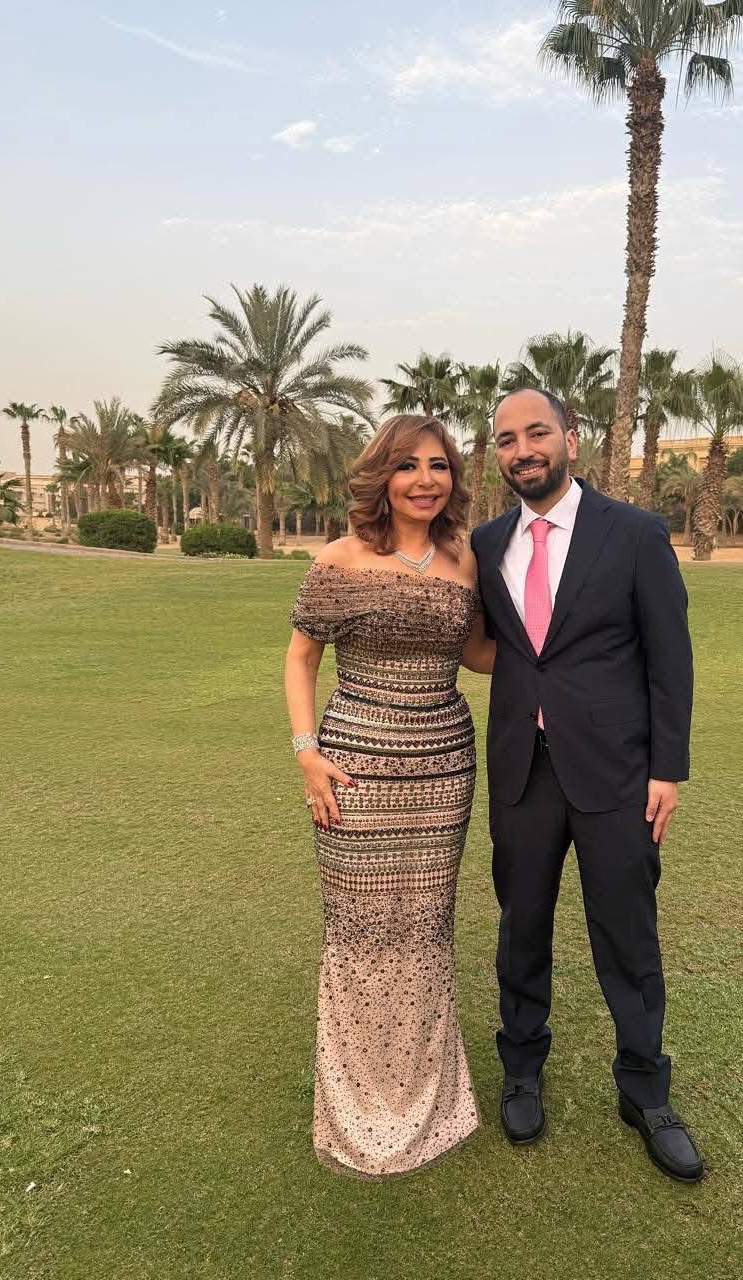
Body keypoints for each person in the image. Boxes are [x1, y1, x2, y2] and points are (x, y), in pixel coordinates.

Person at [470, 388, 704, 1182]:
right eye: (507, 439)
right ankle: (522, 1069)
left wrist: (668, 768)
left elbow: (670, 656)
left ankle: (645, 1091)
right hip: (522, 771)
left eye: (537, 432)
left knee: (627, 936)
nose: (522, 450)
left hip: (618, 773)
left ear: (571, 439)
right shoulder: (487, 542)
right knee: (521, 927)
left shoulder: (634, 533)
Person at [284, 414, 494, 1178]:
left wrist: (561, 640)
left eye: (438, 465)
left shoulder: (465, 561)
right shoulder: (338, 560)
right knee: (359, 927)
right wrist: (307, 754)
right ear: (382, 477)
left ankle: (427, 1098)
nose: (425, 480)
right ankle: (356, 1102)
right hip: (356, 770)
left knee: (426, 926)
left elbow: (476, 655)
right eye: (408, 466)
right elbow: (301, 659)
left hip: (442, 769)